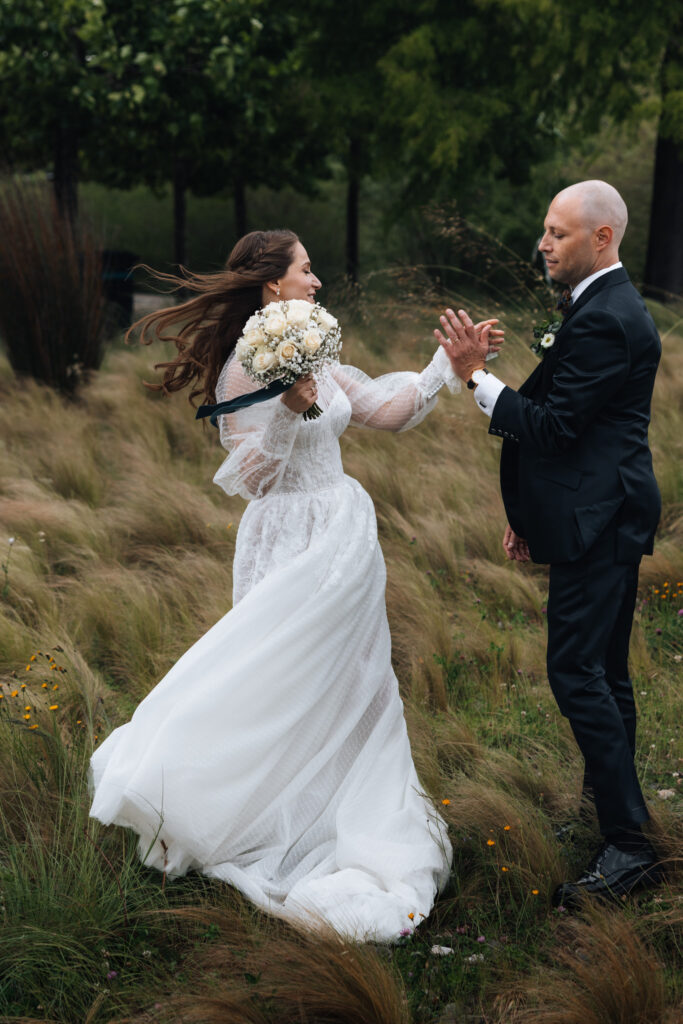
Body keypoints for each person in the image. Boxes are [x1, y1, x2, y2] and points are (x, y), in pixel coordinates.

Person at [89, 229, 502, 942]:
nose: (316, 281)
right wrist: (285, 410)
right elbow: (249, 477)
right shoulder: (244, 369)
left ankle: (342, 809)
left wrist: (449, 363)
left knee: (356, 684)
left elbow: (383, 410)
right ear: (272, 284)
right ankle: (222, 805)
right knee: (274, 683)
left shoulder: (311, 345)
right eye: (305, 271)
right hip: (285, 542)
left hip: (343, 534)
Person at [435, 180, 663, 908]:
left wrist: (475, 377)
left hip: (600, 519)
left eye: (558, 233)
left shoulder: (604, 318)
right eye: (544, 230)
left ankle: (630, 844)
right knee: (603, 671)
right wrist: (530, 512)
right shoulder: (600, 306)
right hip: (599, 510)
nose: (543, 243)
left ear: (601, 238)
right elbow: (577, 432)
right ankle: (615, 815)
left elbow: (556, 428)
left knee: (575, 673)